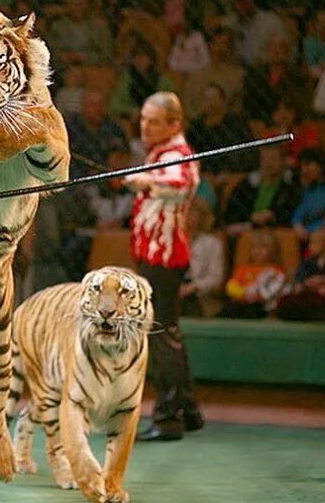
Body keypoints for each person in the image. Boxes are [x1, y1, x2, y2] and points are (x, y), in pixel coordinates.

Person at [123, 91, 202, 442]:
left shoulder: (177, 154)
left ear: (174, 124)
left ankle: (169, 416)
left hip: (164, 255)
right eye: (143, 118)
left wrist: (145, 181)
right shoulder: (160, 153)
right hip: (156, 254)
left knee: (158, 332)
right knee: (168, 330)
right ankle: (188, 409)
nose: (145, 126)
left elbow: (181, 183)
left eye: (153, 121)